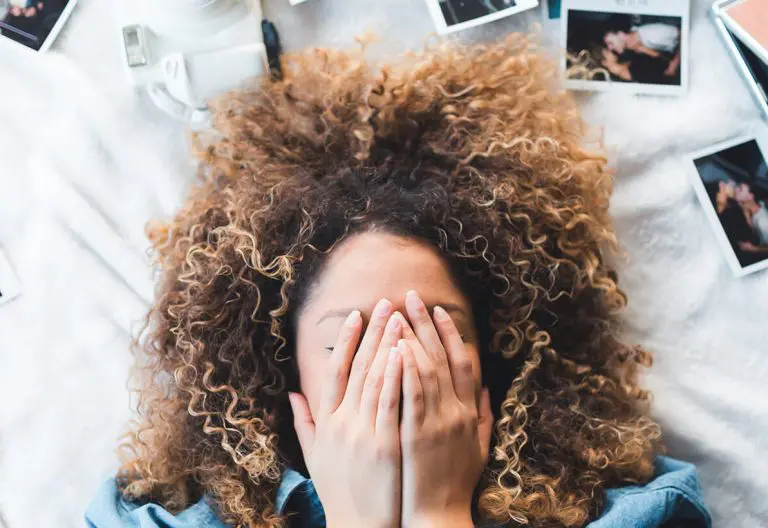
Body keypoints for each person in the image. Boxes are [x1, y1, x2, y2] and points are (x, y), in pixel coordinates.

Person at [85, 37, 709, 527]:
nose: (396, 365)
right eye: (347, 341)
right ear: (284, 367)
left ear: (493, 355)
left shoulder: (641, 513)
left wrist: (438, 513)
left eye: (432, 329)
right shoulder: (154, 518)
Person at [602, 20, 682, 81]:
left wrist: (676, 62)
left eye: (610, 43)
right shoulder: (633, 48)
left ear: (621, 35)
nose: (609, 48)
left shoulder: (653, 34)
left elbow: (685, 34)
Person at [735, 182, 768, 257]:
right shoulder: (758, 205)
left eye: (740, 189)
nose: (736, 189)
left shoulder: (763, 222)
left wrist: (753, 249)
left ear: (750, 196)